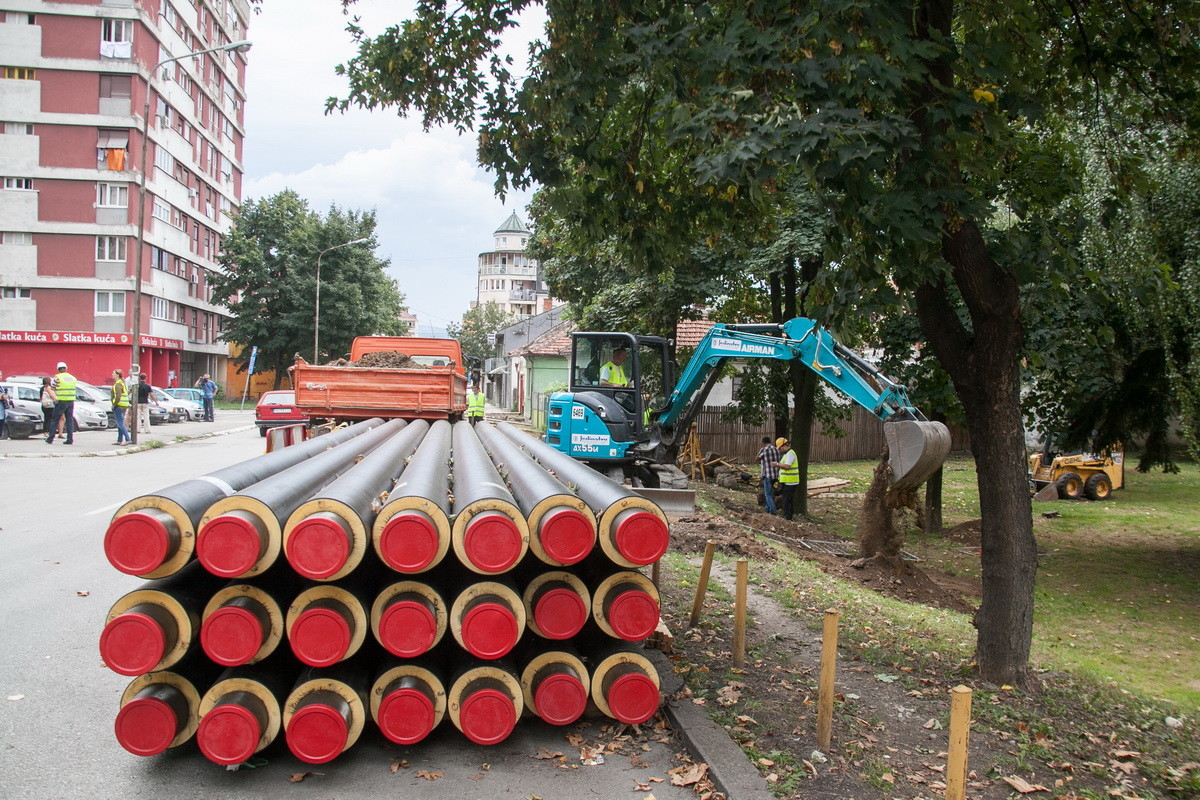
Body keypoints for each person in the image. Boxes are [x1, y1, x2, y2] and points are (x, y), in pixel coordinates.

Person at [45, 361, 77, 445]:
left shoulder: (58, 377)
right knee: (69, 420)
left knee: (55, 419)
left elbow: (53, 387)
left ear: (58, 369)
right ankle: (70, 439)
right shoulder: (73, 378)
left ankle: (50, 438)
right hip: (71, 401)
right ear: (66, 368)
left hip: (61, 401)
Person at [772, 437, 800, 520]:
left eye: (780, 448)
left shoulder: (790, 454)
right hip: (788, 481)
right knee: (787, 500)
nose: (780, 450)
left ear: (783, 446)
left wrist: (777, 464)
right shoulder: (787, 454)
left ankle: (787, 517)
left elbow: (787, 466)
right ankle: (788, 516)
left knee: (786, 501)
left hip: (790, 482)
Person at [756, 436, 781, 515]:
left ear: (763, 442)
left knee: (768, 494)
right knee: (771, 492)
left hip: (767, 475)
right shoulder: (777, 449)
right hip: (776, 475)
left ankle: (773, 511)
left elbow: (757, 458)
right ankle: (767, 508)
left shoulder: (764, 449)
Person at [110, 368, 131, 444]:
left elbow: (118, 397)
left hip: (119, 405)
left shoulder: (118, 384)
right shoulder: (122, 383)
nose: (112, 374)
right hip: (124, 405)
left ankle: (128, 439)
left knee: (120, 424)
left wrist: (114, 404)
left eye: (113, 373)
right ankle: (119, 440)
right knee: (120, 423)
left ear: (117, 375)